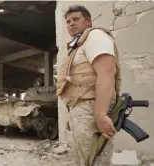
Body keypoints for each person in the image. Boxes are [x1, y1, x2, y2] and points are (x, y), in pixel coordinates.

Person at [56, 4, 121, 166]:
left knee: (95, 159)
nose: (71, 23)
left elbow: (106, 73)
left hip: (92, 107)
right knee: (85, 159)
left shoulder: (95, 36)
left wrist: (100, 114)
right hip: (82, 109)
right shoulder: (78, 45)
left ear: (88, 21)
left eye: (76, 19)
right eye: (68, 21)